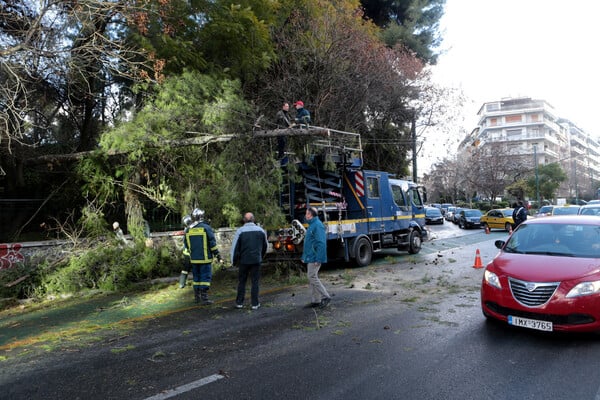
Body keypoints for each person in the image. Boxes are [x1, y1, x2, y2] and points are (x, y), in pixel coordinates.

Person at [183, 208, 223, 305]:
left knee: (196, 278)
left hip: (194, 260)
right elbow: (212, 244)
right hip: (205, 259)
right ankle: (204, 298)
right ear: (202, 216)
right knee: (205, 277)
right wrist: (218, 256)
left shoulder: (188, 230)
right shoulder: (206, 228)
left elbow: (186, 245)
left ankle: (197, 297)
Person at [230, 212, 268, 310]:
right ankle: (255, 304)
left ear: (244, 220)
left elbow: (234, 248)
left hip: (244, 261)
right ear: (253, 219)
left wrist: (233, 261)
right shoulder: (261, 231)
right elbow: (265, 246)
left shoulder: (240, 231)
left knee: (242, 282)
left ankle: (239, 303)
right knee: (255, 282)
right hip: (256, 260)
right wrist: (261, 256)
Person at [301, 207, 331, 308]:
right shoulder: (312, 225)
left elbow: (321, 243)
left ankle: (325, 296)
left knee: (312, 276)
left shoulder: (317, 225)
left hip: (315, 257)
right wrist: (304, 256)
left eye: (307, 214)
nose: (305, 216)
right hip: (311, 256)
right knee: (312, 277)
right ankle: (316, 301)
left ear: (311, 215)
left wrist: (319, 258)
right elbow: (309, 243)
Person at [178, 214, 193, 289]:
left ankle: (181, 284)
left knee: (186, 268)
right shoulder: (189, 229)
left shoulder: (186, 229)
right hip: (190, 252)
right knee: (193, 268)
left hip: (186, 252)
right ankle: (197, 283)